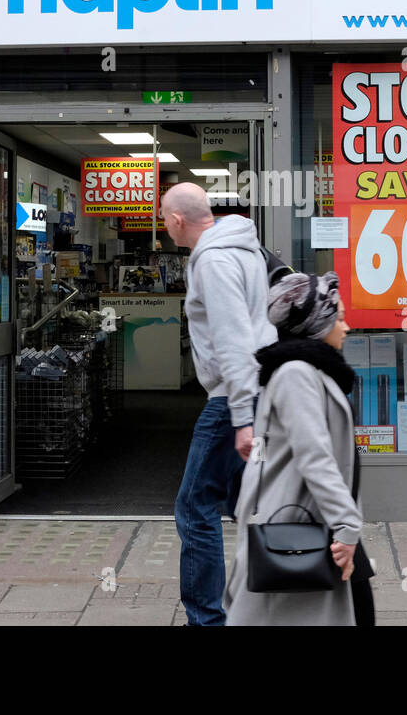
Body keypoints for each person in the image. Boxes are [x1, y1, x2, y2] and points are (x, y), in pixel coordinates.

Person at [223, 271, 373, 626]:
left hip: (315, 521)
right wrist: (347, 524)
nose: (347, 326)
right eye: (338, 317)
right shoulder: (296, 374)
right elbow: (315, 458)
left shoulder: (307, 371)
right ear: (316, 325)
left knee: (358, 606)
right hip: (296, 525)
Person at [161, 181, 277, 626]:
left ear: (177, 221)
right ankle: (264, 604)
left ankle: (207, 620)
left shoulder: (212, 258)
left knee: (195, 508)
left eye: (164, 220)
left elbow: (232, 339)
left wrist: (242, 416)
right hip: (255, 388)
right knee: (249, 503)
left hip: (234, 397)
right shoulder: (244, 246)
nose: (164, 228)